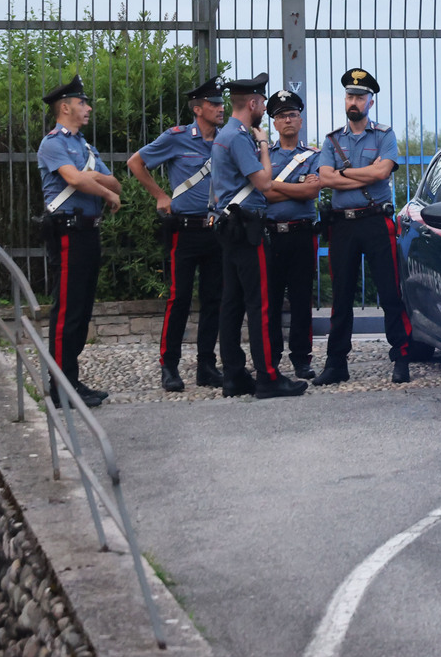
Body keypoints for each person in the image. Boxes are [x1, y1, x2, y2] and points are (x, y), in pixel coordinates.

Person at [210, 73, 309, 399]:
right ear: (252, 103)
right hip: (248, 228)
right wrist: (265, 144)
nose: (265, 107)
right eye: (263, 102)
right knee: (260, 304)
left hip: (232, 227)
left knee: (232, 304)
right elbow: (264, 183)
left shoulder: (227, 135)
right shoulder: (239, 137)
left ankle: (235, 375)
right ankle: (267, 376)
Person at [127, 76, 226, 392]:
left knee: (214, 300)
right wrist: (159, 195)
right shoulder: (177, 137)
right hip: (184, 231)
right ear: (198, 109)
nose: (221, 108)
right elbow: (136, 162)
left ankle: (207, 366)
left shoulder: (227, 140)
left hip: (217, 231)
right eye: (214, 104)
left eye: (222, 103)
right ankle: (169, 367)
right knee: (179, 298)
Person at [315, 67, 412, 385]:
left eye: (359, 96)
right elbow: (324, 178)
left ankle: (401, 356)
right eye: (349, 95)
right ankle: (335, 363)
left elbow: (382, 174)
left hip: (376, 221)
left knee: (389, 292)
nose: (353, 100)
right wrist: (363, 172)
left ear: (370, 101)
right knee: (341, 297)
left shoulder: (384, 136)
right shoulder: (332, 140)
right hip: (343, 225)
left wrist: (343, 176)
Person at [36, 74, 121, 407]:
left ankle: (71, 381)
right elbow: (74, 179)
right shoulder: (53, 143)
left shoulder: (85, 147)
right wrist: (102, 191)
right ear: (65, 106)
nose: (87, 107)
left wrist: (96, 179)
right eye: (82, 102)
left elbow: (115, 183)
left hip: (88, 231)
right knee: (67, 311)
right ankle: (60, 386)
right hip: (68, 231)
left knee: (82, 311)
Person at [263, 89, 323, 379]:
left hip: (301, 234)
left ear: (300, 120)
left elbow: (312, 191)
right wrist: (296, 190)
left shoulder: (313, 156)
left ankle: (302, 359)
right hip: (271, 235)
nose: (287, 119)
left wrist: (275, 188)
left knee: (301, 299)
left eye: (292, 114)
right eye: (281, 115)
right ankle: (271, 357)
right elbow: (260, 194)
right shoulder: (263, 155)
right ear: (273, 123)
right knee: (270, 300)